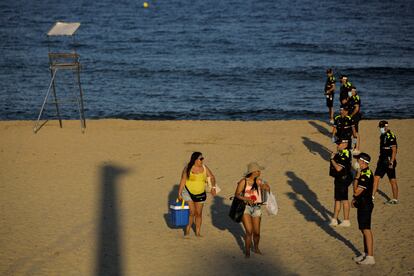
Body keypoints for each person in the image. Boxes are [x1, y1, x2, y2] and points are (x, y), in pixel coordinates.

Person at [233, 162, 270, 258]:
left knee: (257, 233)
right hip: (245, 207)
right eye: (258, 171)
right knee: (249, 231)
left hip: (257, 207)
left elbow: (267, 192)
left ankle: (256, 248)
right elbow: (236, 194)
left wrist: (267, 188)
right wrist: (247, 199)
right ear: (253, 172)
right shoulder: (243, 182)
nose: (259, 172)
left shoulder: (259, 181)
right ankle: (247, 251)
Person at [178, 152, 217, 237]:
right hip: (188, 193)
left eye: (202, 158)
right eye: (201, 159)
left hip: (200, 193)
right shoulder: (188, 168)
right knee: (192, 212)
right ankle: (187, 231)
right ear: (195, 160)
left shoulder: (204, 168)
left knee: (198, 213)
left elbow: (212, 177)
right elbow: (183, 180)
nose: (202, 160)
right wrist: (179, 193)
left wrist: (213, 188)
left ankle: (198, 232)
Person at [351, 152, 375, 265]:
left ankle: (370, 257)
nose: (356, 162)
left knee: (366, 229)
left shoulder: (366, 175)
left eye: (358, 160)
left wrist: (356, 176)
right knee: (362, 229)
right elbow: (357, 193)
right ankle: (366, 253)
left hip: (366, 204)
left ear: (363, 162)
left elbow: (356, 191)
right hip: (362, 203)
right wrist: (355, 200)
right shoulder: (363, 173)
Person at [372, 121, 399, 205]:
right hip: (382, 160)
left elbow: (394, 150)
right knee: (376, 177)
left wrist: (391, 162)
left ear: (385, 127)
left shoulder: (391, 136)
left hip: (388, 161)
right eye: (380, 128)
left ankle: (395, 199)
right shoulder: (382, 135)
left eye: (381, 127)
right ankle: (372, 196)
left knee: (392, 180)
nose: (380, 129)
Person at [329, 138, 353, 227]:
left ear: (345, 144)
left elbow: (339, 168)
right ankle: (334, 219)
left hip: (343, 179)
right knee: (337, 199)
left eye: (339, 144)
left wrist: (332, 159)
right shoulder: (341, 153)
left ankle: (346, 220)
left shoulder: (345, 154)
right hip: (339, 179)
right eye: (337, 144)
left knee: (344, 199)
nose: (337, 145)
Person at [347, 86, 362, 150]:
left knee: (355, 133)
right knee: (350, 132)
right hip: (350, 116)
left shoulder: (356, 98)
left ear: (355, 91)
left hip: (355, 117)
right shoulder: (351, 97)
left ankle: (356, 146)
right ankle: (350, 146)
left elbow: (356, 108)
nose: (351, 92)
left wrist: (351, 115)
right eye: (350, 91)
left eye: (352, 91)